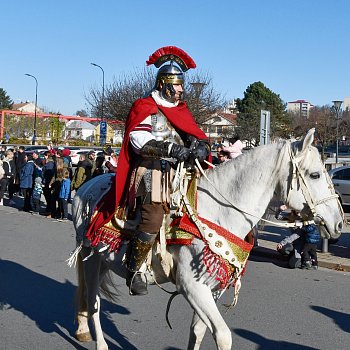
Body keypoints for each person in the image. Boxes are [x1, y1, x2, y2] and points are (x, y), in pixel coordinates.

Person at [86, 46, 210, 295]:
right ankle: (134, 269)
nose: (181, 89)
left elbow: (195, 135)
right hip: (150, 169)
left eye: (181, 84)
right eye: (176, 85)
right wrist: (172, 150)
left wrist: (202, 148)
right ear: (164, 83)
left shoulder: (180, 109)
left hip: (180, 172)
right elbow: (137, 139)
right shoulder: (145, 106)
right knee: (154, 214)